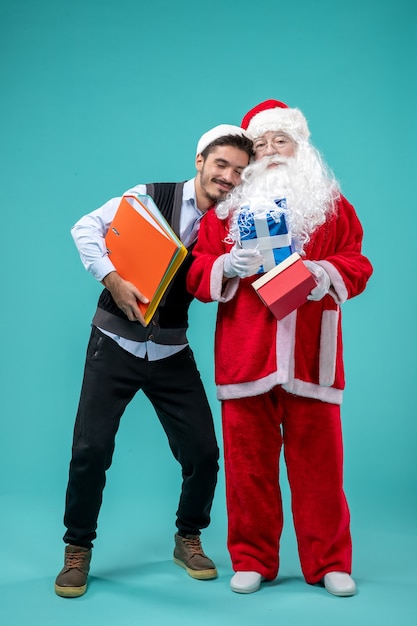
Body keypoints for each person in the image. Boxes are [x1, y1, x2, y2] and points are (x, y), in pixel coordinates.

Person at [55, 124, 253, 598]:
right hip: (113, 344)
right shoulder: (147, 195)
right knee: (90, 451)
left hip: (171, 350)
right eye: (221, 164)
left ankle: (188, 537)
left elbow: (211, 287)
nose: (227, 177)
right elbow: (86, 227)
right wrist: (112, 280)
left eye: (239, 172)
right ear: (200, 161)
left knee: (203, 453)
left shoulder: (229, 225)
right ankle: (77, 549)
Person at [187, 100, 373, 597]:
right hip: (246, 353)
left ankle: (329, 561)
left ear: (300, 147)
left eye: (280, 141)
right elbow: (194, 270)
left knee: (320, 467)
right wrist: (225, 266)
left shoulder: (332, 205)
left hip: (314, 355)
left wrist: (324, 274)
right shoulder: (224, 213)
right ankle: (252, 559)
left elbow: (358, 261)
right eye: (261, 144)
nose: (270, 151)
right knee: (249, 469)